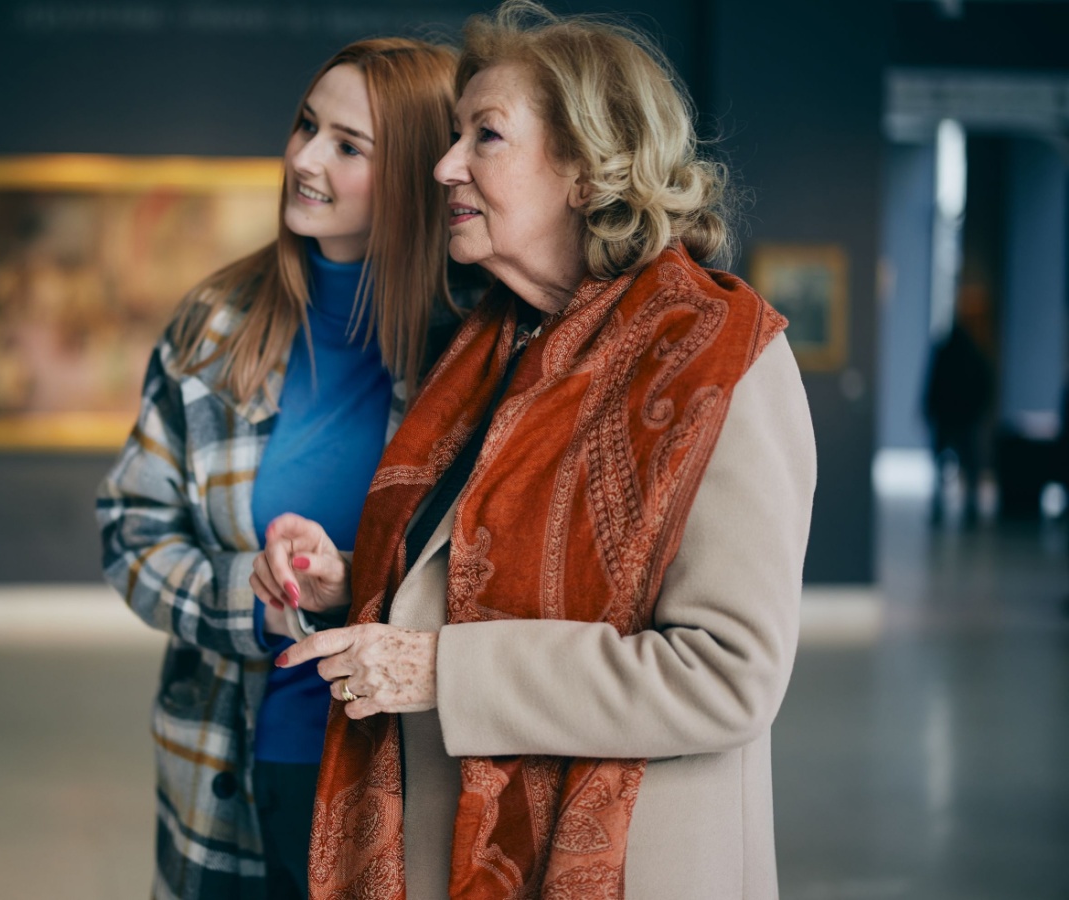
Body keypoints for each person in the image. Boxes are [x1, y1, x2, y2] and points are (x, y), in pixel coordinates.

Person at [265, 4, 816, 897]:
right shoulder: (491, 347)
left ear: (589, 165)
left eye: (485, 136)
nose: (445, 166)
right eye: (453, 135)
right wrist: (352, 587)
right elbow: (471, 580)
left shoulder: (724, 354)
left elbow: (728, 676)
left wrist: (443, 669)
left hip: (625, 863)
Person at [97, 38, 475, 900]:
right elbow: (132, 530)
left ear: (419, 169)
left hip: (408, 780)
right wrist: (254, 602)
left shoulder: (477, 350)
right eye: (307, 125)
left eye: (349, 146)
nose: (304, 157)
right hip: (235, 773)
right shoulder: (215, 326)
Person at [922, 283, 995, 527]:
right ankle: (965, 509)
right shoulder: (971, 351)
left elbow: (933, 383)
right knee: (963, 464)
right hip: (961, 417)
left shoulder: (952, 349)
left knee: (947, 465)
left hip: (953, 416)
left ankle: (945, 507)